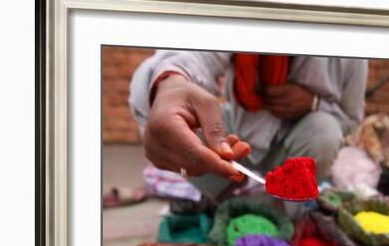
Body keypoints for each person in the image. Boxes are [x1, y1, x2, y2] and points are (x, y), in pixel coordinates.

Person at [129, 51, 368, 201]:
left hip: (297, 141)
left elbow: (351, 119)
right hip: (238, 135)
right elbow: (195, 55)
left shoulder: (350, 49)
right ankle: (226, 203)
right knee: (181, 129)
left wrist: (314, 103)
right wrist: (172, 80)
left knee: (325, 131)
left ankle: (285, 210)